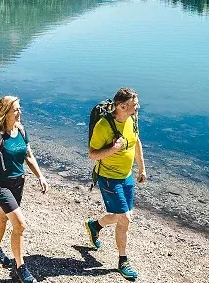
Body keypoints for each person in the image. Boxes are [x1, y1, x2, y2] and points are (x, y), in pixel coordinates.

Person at [0, 96, 49, 283]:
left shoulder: (20, 130)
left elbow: (29, 156)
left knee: (4, 217)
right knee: (20, 225)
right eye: (16, 110)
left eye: (20, 109)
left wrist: (40, 176)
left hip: (18, 184)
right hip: (1, 185)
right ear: (5, 113)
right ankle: (21, 268)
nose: (20, 112)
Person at [84, 87, 147, 281]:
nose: (138, 108)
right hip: (109, 177)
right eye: (135, 105)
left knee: (122, 216)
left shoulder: (132, 119)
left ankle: (95, 226)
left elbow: (136, 141)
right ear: (122, 106)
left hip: (126, 176)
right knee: (125, 219)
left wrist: (142, 168)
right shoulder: (103, 126)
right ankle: (123, 261)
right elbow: (92, 154)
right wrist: (114, 148)